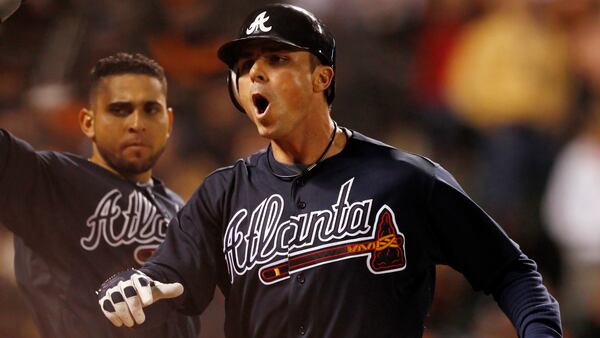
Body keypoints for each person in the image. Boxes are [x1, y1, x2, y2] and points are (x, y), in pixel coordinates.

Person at [97, 4, 562, 337]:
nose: (255, 73)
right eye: (244, 65)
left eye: (276, 59)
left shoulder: (404, 180)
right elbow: (163, 278)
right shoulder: (222, 193)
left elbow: (510, 271)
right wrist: (125, 286)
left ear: (322, 78)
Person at [0, 53, 199, 337]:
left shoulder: (177, 204)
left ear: (167, 122)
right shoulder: (53, 182)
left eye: (150, 110)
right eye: (119, 110)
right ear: (89, 122)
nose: (136, 123)